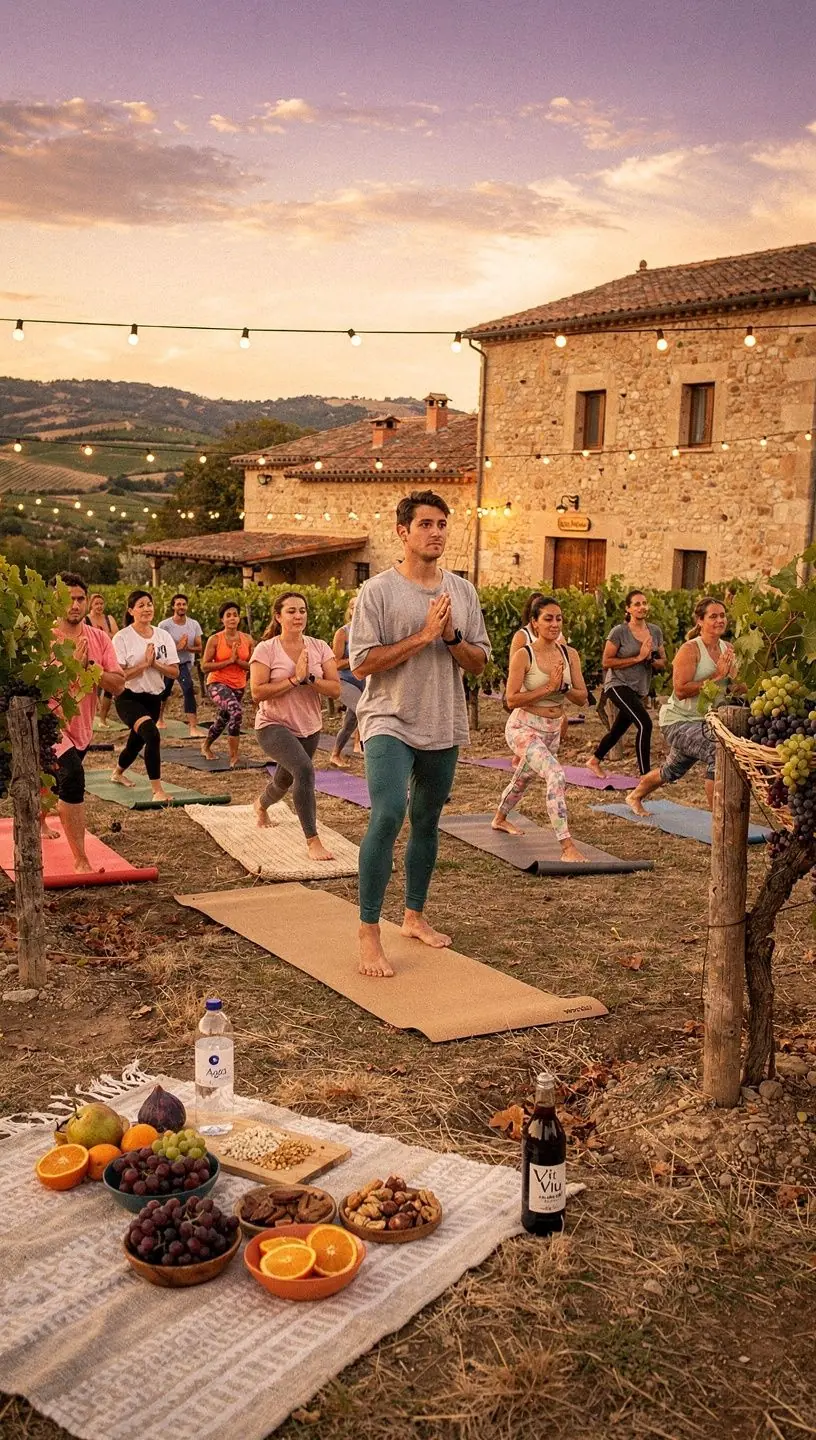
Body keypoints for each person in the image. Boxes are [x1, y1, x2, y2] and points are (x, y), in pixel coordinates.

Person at [350, 490, 491, 978]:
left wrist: (450, 636)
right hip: (388, 718)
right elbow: (363, 662)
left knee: (427, 820)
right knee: (389, 814)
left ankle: (413, 916)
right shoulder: (378, 592)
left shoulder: (463, 593)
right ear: (403, 532)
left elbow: (479, 663)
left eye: (442, 524)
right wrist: (424, 636)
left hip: (442, 719)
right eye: (426, 524)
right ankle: (369, 930)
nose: (436, 532)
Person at [491, 595, 587, 861]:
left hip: (552, 729)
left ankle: (499, 818)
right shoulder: (525, 655)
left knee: (523, 778)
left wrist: (563, 687)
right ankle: (567, 847)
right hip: (523, 727)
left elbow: (582, 697)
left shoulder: (570, 654)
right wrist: (547, 687)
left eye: (558, 618)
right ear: (534, 623)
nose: (554, 624)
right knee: (555, 774)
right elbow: (511, 699)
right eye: (548, 618)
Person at [43, 573, 125, 872]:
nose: (75, 604)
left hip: (82, 727)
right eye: (69, 598)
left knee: (52, 783)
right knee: (73, 778)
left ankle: (42, 819)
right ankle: (81, 859)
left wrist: (90, 666)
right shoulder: (43, 638)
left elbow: (117, 685)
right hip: (48, 724)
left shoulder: (100, 639)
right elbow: (36, 689)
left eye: (80, 599)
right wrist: (68, 666)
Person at [626, 596, 738, 815]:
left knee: (671, 770)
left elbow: (730, 687)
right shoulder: (690, 649)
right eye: (713, 616)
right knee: (719, 751)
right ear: (700, 621)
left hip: (706, 722)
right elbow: (681, 689)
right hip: (679, 721)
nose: (719, 620)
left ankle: (634, 795)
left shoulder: (729, 649)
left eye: (722, 616)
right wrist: (717, 676)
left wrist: (739, 684)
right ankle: (720, 823)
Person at [250, 591, 341, 861]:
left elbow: (335, 689)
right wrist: (293, 680)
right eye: (291, 611)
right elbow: (257, 692)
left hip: (309, 727)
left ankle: (261, 804)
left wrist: (309, 677)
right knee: (304, 769)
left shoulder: (319, 646)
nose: (298, 615)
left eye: (302, 610)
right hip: (272, 725)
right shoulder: (266, 649)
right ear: (278, 617)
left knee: (284, 779)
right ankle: (312, 840)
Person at [588, 589, 666, 778]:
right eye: (637, 604)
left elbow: (663, 662)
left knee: (617, 731)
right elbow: (607, 662)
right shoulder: (619, 632)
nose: (642, 607)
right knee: (645, 724)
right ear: (628, 608)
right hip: (618, 684)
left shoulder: (655, 631)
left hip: (639, 688)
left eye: (644, 603)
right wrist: (638, 658)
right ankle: (645, 775)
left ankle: (594, 760)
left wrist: (651, 661)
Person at [111, 590, 179, 802]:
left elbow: (175, 671)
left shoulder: (163, 636)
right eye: (141, 605)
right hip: (128, 697)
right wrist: (143, 665)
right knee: (152, 735)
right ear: (131, 611)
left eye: (149, 604)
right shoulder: (122, 637)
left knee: (135, 743)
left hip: (153, 698)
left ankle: (117, 772)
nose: (147, 608)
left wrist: (155, 664)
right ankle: (157, 790)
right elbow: (120, 675)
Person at [200, 602, 253, 766]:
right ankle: (234, 757)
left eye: (235, 615)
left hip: (238, 685)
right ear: (222, 619)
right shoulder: (215, 639)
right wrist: (229, 661)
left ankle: (206, 745)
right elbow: (204, 666)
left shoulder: (247, 639)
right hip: (217, 683)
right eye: (228, 615)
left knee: (223, 719)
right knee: (236, 712)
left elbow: (253, 665)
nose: (232, 618)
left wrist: (237, 661)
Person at [158, 593, 203, 735]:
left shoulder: (193, 624)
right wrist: (176, 647)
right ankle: (159, 719)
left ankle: (193, 727)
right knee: (164, 691)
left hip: (184, 663)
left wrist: (186, 648)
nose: (181, 607)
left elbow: (199, 647)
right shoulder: (164, 625)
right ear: (173, 607)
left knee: (188, 688)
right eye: (178, 604)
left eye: (184, 604)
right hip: (168, 663)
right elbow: (161, 648)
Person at [329, 595, 364, 768]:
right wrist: (358, 660)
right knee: (364, 711)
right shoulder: (343, 633)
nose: (359, 610)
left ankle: (335, 754)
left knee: (351, 721)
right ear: (350, 611)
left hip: (364, 682)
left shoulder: (370, 630)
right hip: (344, 681)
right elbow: (335, 663)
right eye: (355, 607)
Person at [86, 592, 119, 726]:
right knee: (92, 688)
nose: (99, 606)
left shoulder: (109, 619)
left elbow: (116, 635)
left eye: (101, 603)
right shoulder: (86, 619)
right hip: (91, 657)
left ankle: (103, 719)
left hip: (108, 655)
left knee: (109, 688)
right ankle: (90, 717)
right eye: (96, 604)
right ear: (91, 606)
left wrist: (103, 633)